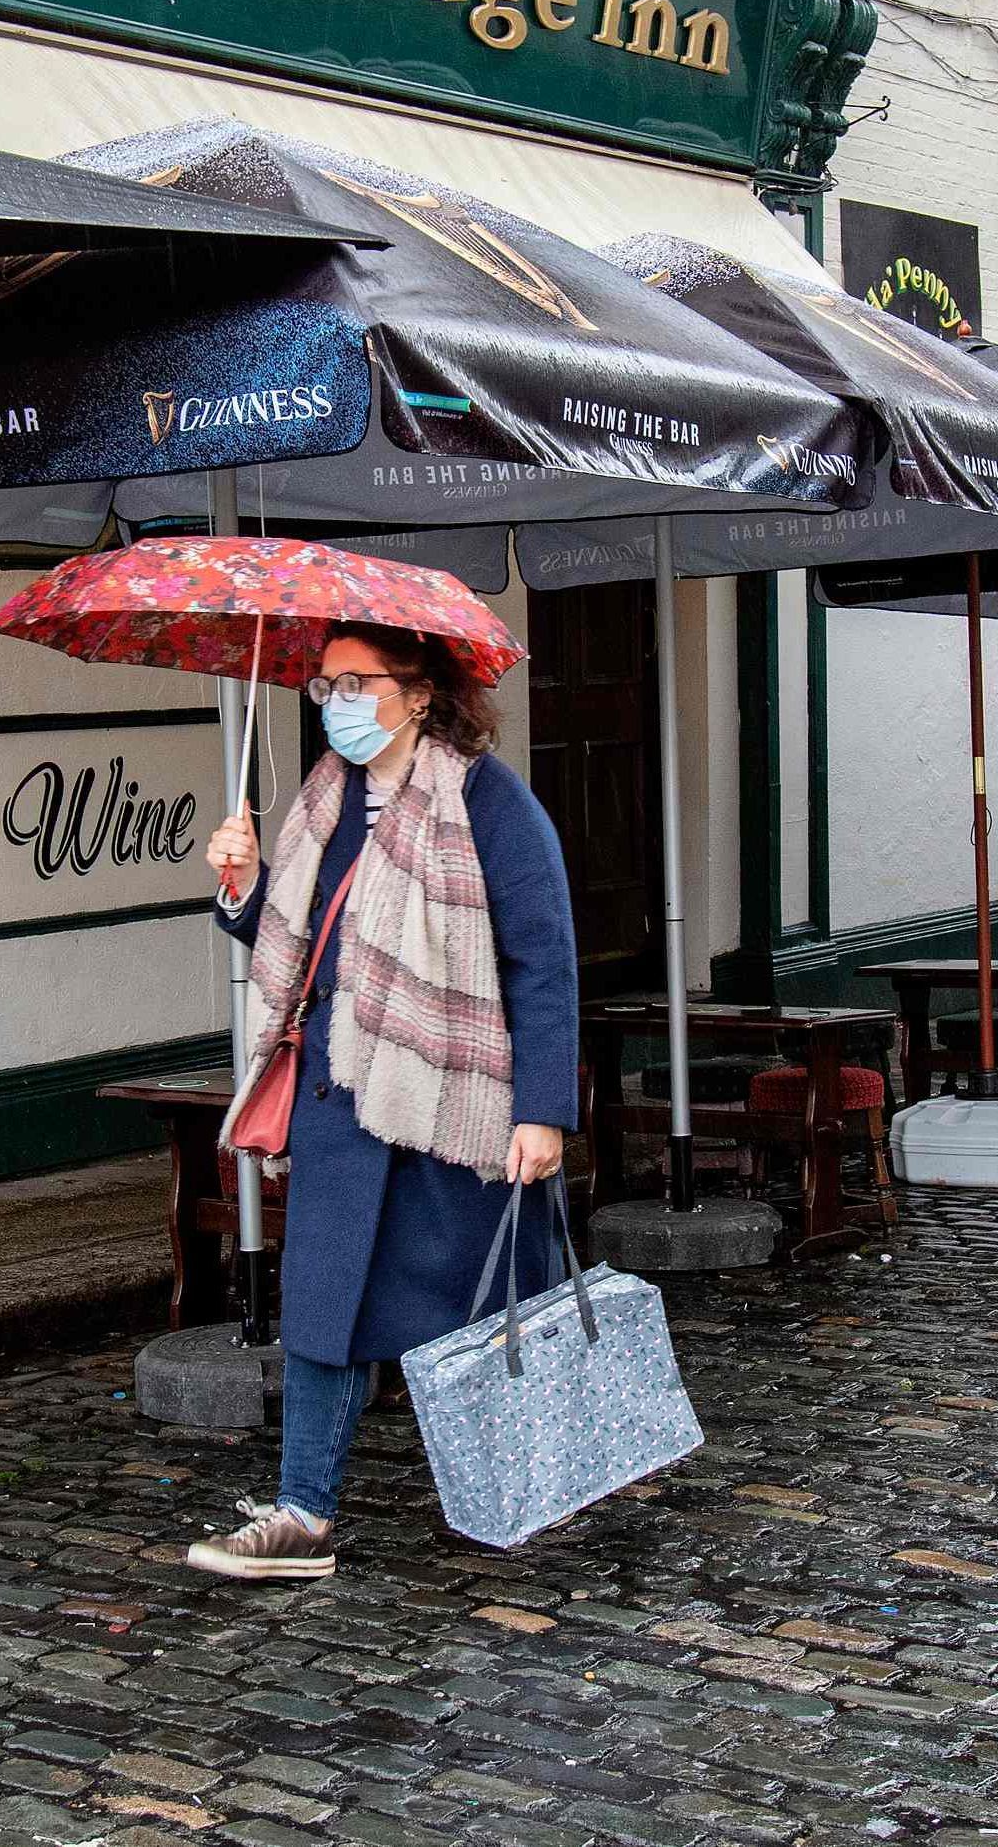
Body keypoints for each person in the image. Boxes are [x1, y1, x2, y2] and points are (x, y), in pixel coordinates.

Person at [183, 620, 578, 1583]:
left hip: (447, 1100)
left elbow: (542, 959)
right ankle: (300, 1515)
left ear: (418, 691)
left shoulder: (489, 801)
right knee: (321, 1311)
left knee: (473, 1313)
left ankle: (513, 1488)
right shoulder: (324, 801)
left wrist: (543, 1109)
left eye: (358, 684)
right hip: (339, 1097)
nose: (340, 705)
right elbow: (310, 940)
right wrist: (242, 888)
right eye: (326, 688)